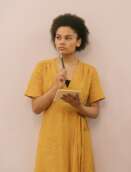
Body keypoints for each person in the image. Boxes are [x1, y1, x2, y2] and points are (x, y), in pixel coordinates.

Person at [25, 13, 105, 172]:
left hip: (78, 139)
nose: (61, 41)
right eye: (58, 37)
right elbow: (36, 108)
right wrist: (55, 87)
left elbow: (95, 111)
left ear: (79, 41)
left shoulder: (90, 72)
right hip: (52, 140)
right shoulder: (42, 67)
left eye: (68, 38)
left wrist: (79, 106)